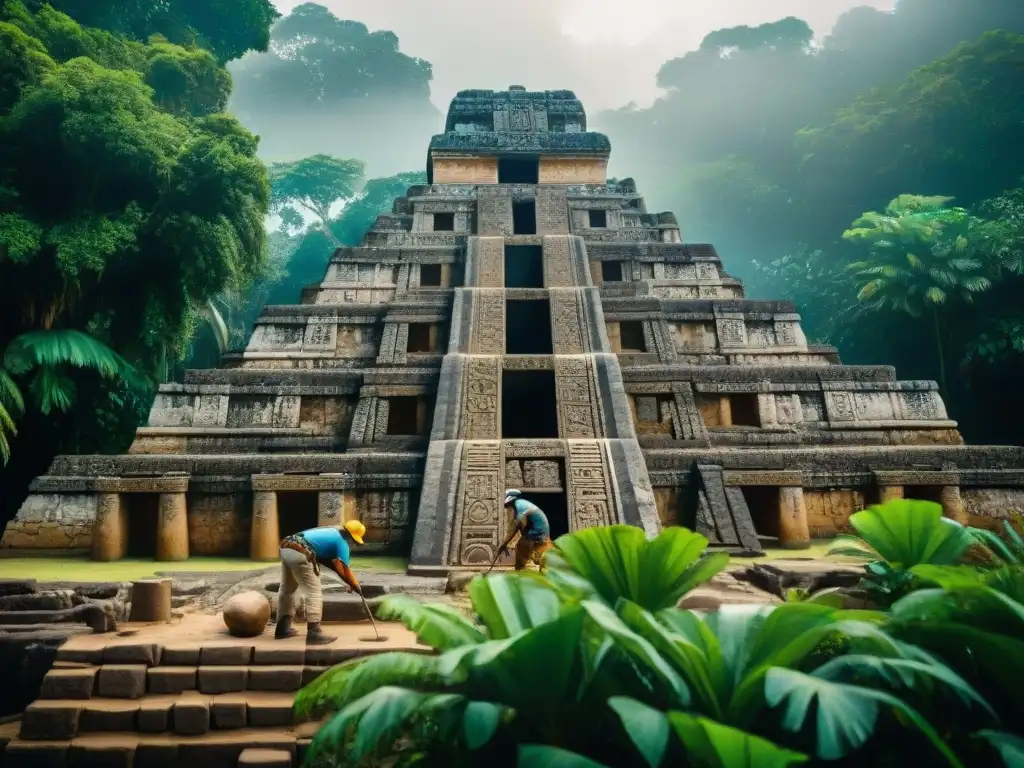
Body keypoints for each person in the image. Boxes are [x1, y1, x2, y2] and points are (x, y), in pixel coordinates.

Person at [275, 519, 366, 645]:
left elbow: (332, 564)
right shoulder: (342, 542)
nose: (354, 545)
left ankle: (282, 628)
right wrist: (355, 585)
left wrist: (349, 583)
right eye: (355, 542)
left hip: (286, 547)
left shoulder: (332, 532)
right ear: (351, 537)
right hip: (301, 552)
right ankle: (314, 633)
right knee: (314, 591)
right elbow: (345, 568)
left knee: (287, 589)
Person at [499, 489, 552, 571]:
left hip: (536, 532)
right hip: (543, 533)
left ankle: (520, 571)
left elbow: (519, 525)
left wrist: (504, 544)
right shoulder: (521, 503)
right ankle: (537, 559)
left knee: (520, 550)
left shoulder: (519, 507)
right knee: (541, 557)